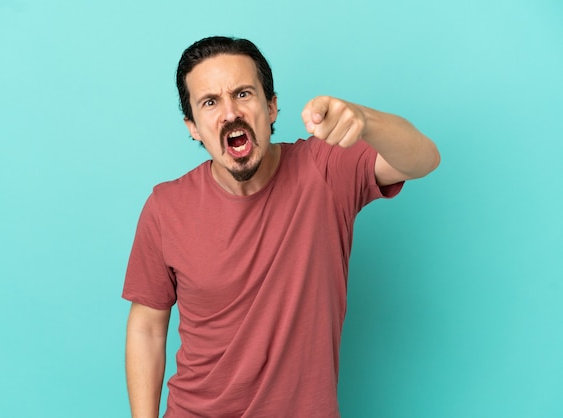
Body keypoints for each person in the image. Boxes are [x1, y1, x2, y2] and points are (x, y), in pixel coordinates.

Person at [122, 36, 440, 417]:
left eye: (243, 94)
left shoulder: (323, 171)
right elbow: (147, 328)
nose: (230, 113)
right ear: (192, 126)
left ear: (271, 107)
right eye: (210, 102)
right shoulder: (165, 208)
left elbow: (423, 159)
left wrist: (365, 120)